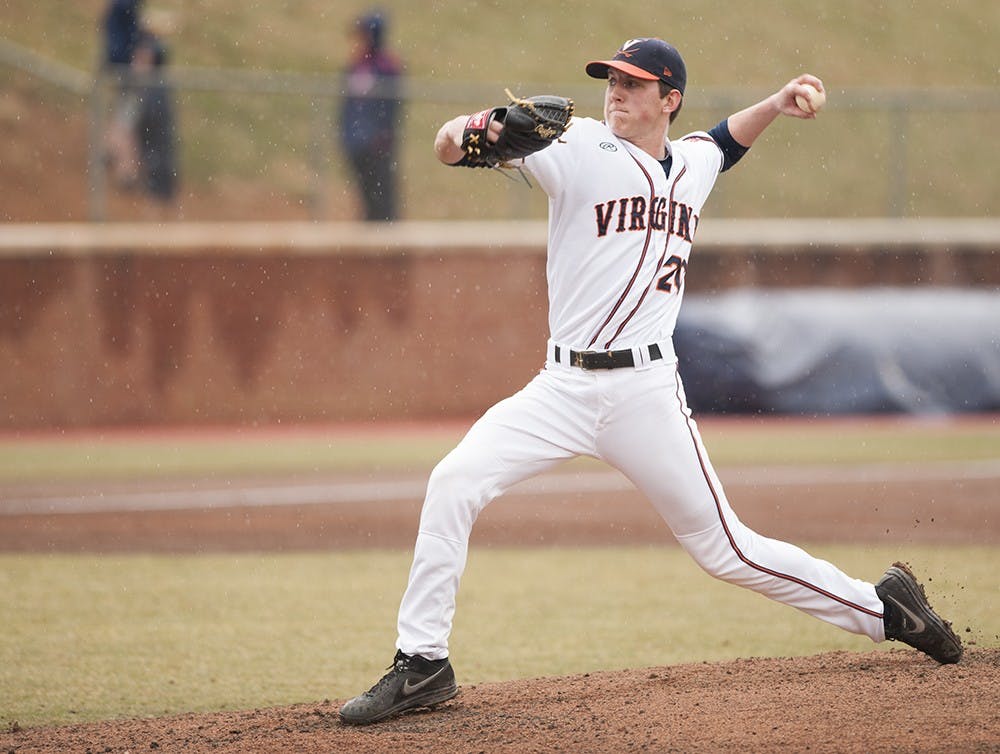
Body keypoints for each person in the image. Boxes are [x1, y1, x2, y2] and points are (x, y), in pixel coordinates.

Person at [338, 37, 964, 726]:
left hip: (645, 395)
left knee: (726, 550)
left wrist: (777, 104)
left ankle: (883, 609)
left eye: (633, 84)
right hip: (560, 389)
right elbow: (446, 147)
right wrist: (480, 128)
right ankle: (423, 663)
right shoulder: (575, 144)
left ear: (670, 100)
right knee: (454, 481)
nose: (616, 91)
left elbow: (723, 142)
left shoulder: (691, 163)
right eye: (612, 80)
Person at [338, 11, 403, 222]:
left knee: (383, 198)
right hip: (357, 143)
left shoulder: (386, 66)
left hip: (377, 144)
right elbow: (347, 105)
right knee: (365, 195)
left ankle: (385, 235)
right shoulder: (357, 65)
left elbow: (390, 108)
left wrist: (381, 135)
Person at [130, 29, 179, 212]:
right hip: (155, 157)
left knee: (158, 204)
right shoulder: (151, 90)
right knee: (158, 202)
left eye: (141, 60)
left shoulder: (155, 92)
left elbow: (147, 123)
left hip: (157, 158)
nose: (135, 64)